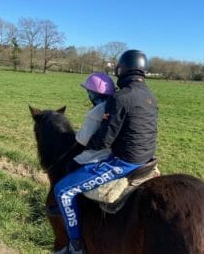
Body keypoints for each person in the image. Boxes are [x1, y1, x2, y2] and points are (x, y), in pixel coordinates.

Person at [54, 50, 158, 254]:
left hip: (126, 162)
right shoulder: (149, 96)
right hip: (147, 157)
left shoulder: (121, 97)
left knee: (63, 191)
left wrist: (83, 143)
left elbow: (103, 141)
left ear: (122, 69)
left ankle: (75, 246)